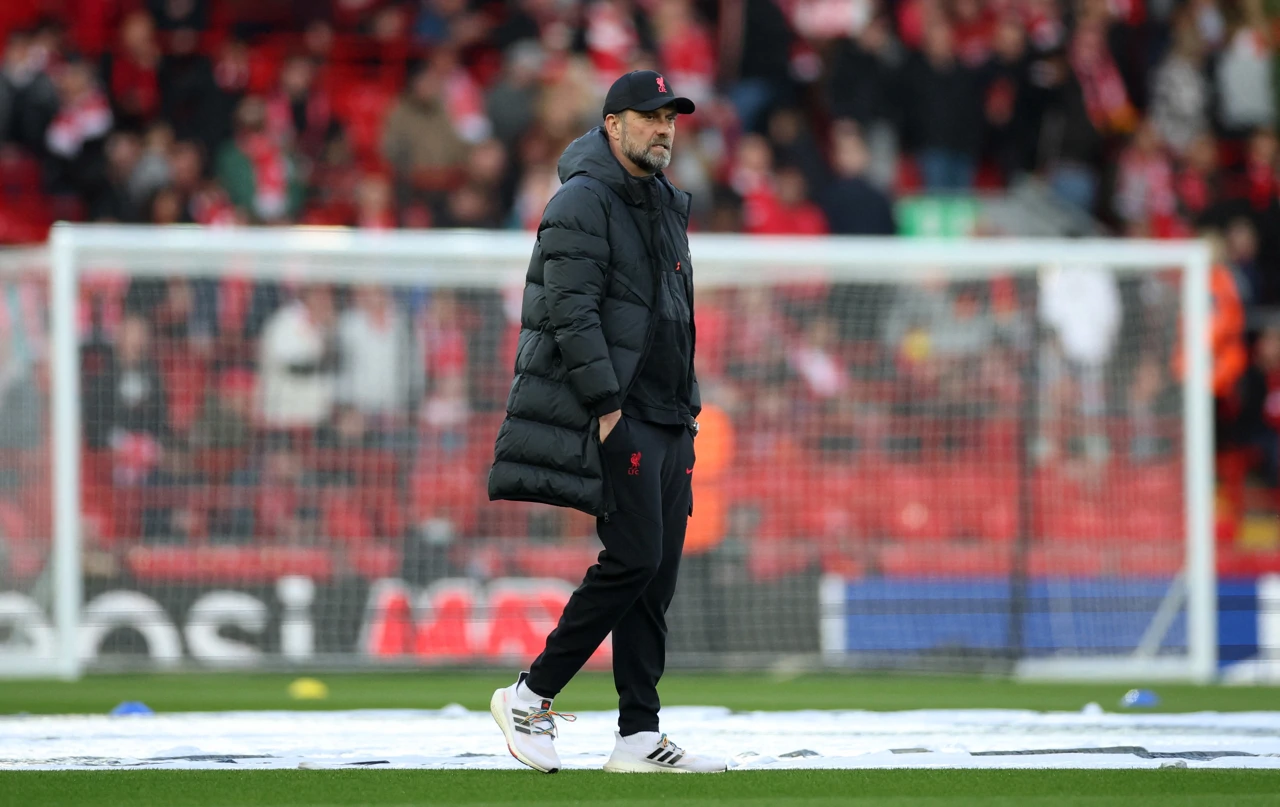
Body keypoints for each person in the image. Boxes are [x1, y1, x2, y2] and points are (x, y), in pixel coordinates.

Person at [486, 70, 723, 775]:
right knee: (633, 560)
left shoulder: (662, 202)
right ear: (612, 125)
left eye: (671, 118)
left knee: (657, 579)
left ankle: (638, 734)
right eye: (650, 117)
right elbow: (571, 312)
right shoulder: (581, 200)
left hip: (670, 413)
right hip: (622, 414)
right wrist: (607, 409)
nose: (664, 129)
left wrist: (686, 405)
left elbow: (669, 315)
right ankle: (530, 692)